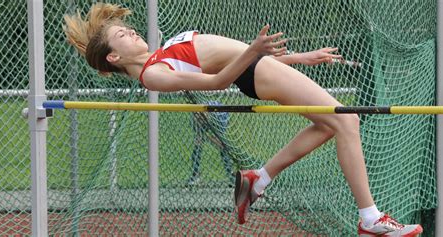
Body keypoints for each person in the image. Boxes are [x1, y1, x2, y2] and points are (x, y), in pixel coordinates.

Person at [63, 3, 423, 235]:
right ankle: (370, 217)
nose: (132, 31)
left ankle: (258, 177)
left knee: (330, 125)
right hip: (255, 69)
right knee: (348, 121)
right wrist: (255, 49)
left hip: (257, 69)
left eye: (127, 28)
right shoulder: (154, 74)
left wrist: (298, 59)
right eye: (122, 36)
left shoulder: (160, 55)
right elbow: (218, 81)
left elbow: (233, 61)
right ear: (113, 58)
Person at [188, 101, 233, 186]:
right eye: (196, 115)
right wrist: (201, 136)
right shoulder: (195, 120)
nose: (198, 117)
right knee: (198, 143)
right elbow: (199, 137)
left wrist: (209, 137)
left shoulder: (219, 117)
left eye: (200, 115)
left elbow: (218, 141)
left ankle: (230, 175)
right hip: (208, 120)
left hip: (219, 117)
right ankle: (195, 175)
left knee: (222, 146)